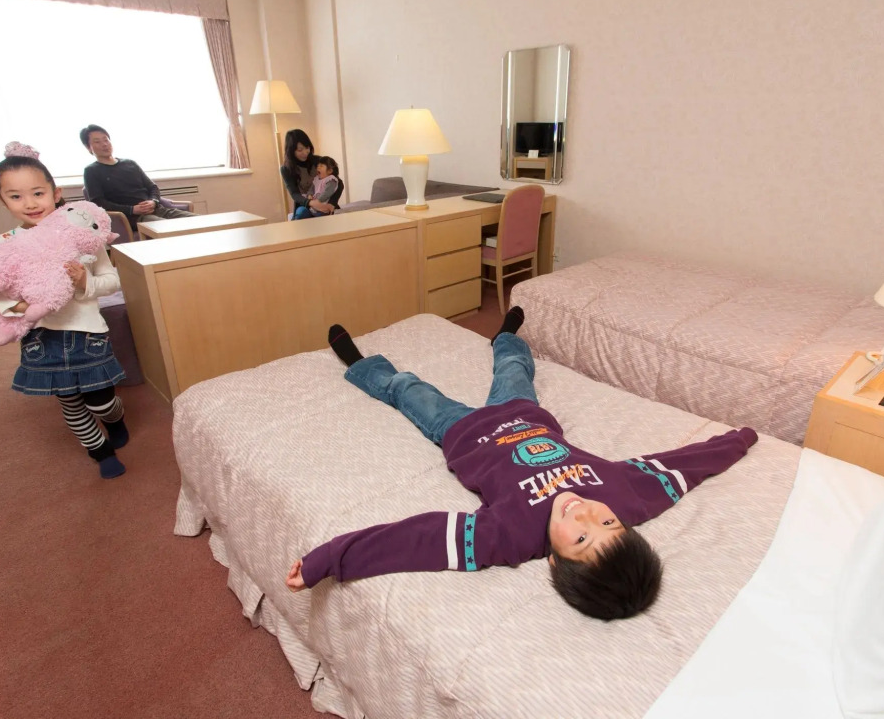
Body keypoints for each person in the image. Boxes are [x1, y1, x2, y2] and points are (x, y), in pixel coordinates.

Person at [285, 307, 760, 620]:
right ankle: (506, 337)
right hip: (524, 415)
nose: (585, 513)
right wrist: (739, 439)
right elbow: (684, 465)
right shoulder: (629, 497)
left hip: (463, 432)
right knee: (514, 367)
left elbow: (420, 539)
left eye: (580, 538)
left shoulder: (512, 536)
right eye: (607, 523)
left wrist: (332, 557)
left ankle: (361, 365)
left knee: (409, 390)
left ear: (554, 560)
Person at [0, 142, 130, 480]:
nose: (30, 203)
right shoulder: (4, 242)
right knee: (70, 402)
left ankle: (115, 419)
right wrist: (18, 306)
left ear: (56, 193)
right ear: (1, 200)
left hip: (87, 334)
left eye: (38, 193)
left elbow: (112, 280)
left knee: (100, 401)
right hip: (42, 337)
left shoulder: (81, 234)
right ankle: (100, 451)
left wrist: (84, 282)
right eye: (16, 196)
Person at [79, 124, 194, 231]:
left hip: (158, 210)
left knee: (198, 221)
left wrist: (153, 201)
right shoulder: (91, 171)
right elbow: (98, 202)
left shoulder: (130, 164)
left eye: (106, 139)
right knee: (169, 228)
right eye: (97, 142)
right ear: (88, 147)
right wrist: (132, 209)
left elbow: (152, 187)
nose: (104, 144)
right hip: (133, 218)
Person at [280, 129, 335, 219]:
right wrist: (311, 203)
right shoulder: (286, 169)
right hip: (304, 204)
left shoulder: (319, 161)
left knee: (325, 216)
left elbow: (338, 183)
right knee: (302, 214)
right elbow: (295, 194)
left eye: (307, 148)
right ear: (291, 151)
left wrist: (331, 203)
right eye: (300, 150)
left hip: (324, 201)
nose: (305, 152)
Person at [293, 156, 341, 220]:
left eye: (321, 166)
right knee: (301, 211)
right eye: (318, 166)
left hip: (323, 206)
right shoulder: (316, 180)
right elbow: (311, 189)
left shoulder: (331, 179)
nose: (318, 167)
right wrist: (309, 195)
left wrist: (318, 201)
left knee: (322, 217)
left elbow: (327, 192)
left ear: (329, 171)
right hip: (313, 206)